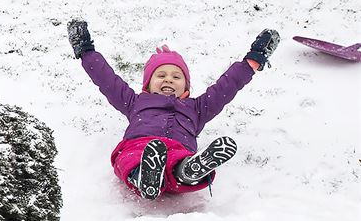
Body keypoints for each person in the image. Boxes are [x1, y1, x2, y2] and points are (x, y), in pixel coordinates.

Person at [66, 19, 280, 200]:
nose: (169, 79)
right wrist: (86, 51)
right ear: (147, 85)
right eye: (161, 75)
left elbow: (228, 86)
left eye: (176, 77)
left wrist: (253, 60)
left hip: (179, 150)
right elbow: (107, 80)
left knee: (178, 161)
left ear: (186, 87)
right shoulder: (135, 102)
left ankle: (189, 171)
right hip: (140, 146)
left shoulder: (198, 108)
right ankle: (143, 176)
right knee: (129, 156)